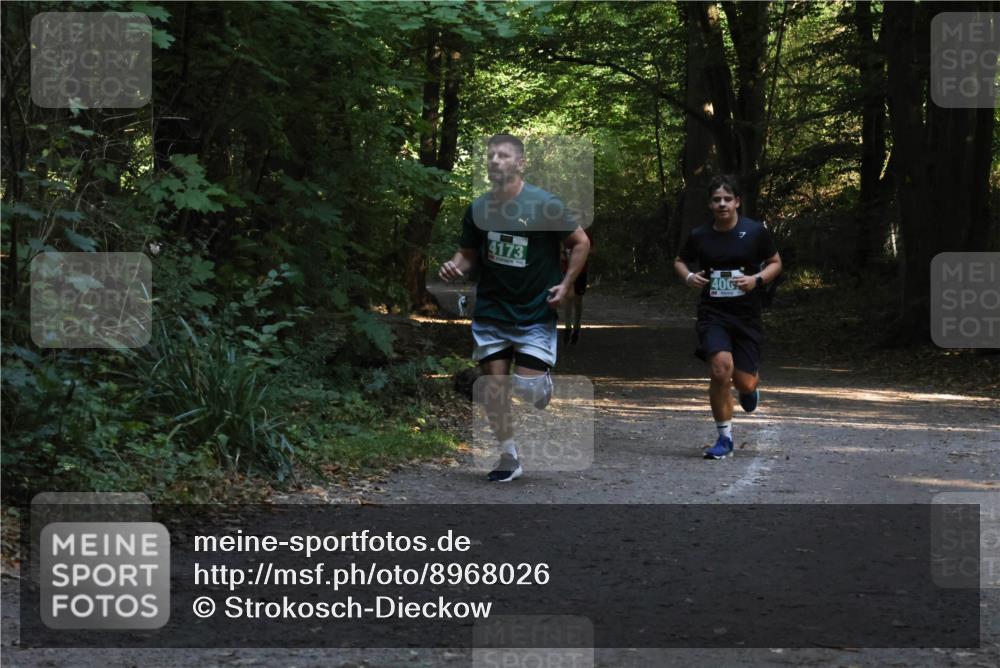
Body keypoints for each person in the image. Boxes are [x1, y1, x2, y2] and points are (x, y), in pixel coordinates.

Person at [439, 134, 590, 482]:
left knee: (526, 389)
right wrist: (454, 265)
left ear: (520, 163)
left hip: (534, 310)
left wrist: (566, 285)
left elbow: (580, 242)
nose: (495, 161)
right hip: (492, 309)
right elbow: (468, 254)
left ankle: (541, 383)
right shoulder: (478, 209)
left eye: (503, 156)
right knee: (493, 385)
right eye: (491, 156)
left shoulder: (544, 204)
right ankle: (509, 455)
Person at [673, 175, 782, 460]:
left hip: (746, 315)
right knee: (721, 369)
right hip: (713, 313)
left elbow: (775, 262)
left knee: (745, 383)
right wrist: (688, 277)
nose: (722, 204)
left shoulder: (755, 231)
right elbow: (679, 260)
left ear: (737, 202)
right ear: (710, 204)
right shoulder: (699, 235)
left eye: (727, 199)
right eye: (716, 200)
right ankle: (724, 439)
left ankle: (749, 391)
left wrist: (756, 280)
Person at [562, 228, 592, 345]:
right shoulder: (563, 234)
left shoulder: (585, 234)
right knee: (568, 299)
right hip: (566, 271)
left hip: (581, 272)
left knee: (578, 301)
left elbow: (592, 249)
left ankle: (577, 328)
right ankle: (567, 328)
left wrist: (581, 252)